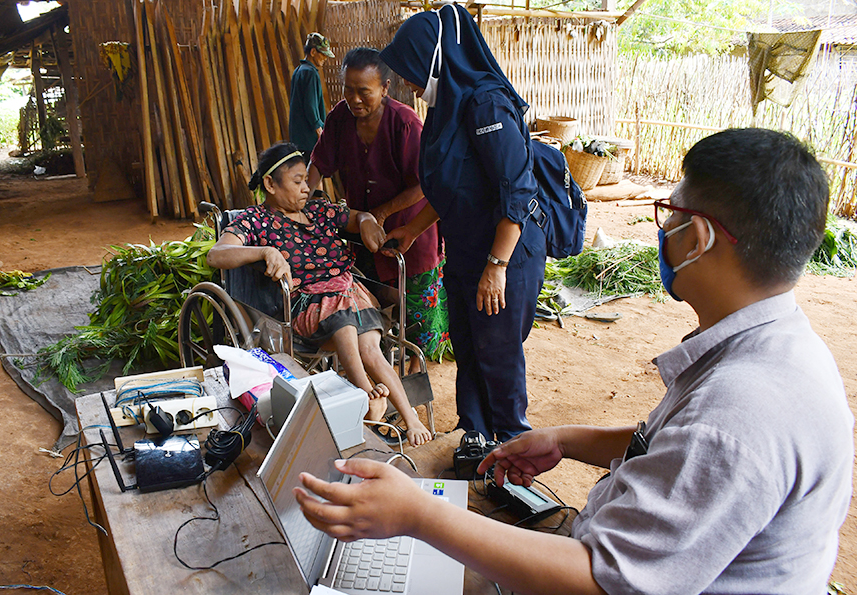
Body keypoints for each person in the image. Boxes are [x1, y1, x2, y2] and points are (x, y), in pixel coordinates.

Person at [294, 128, 854, 594]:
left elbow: (605, 581)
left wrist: (419, 516)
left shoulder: (741, 411)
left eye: (669, 214)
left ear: (698, 238)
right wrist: (567, 439)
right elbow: (672, 442)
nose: (663, 231)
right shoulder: (774, 348)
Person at [377, 5, 547, 442]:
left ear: (432, 58)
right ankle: (475, 437)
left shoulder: (486, 104)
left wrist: (496, 266)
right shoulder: (446, 106)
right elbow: (456, 187)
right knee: (469, 349)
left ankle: (512, 447)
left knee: (498, 354)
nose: (408, 84)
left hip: (504, 255)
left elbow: (518, 194)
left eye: (410, 71)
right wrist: (413, 229)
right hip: (468, 251)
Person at [206, 142, 432, 446]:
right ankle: (365, 392)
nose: (306, 188)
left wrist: (366, 221)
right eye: (297, 182)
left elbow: (357, 217)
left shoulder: (320, 210)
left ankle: (410, 416)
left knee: (371, 349)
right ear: (270, 184)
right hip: (305, 306)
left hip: (350, 293)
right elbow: (217, 255)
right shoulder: (254, 220)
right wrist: (265, 251)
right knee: (344, 322)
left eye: (307, 181)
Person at [307, 47, 450, 368]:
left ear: (384, 88)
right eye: (347, 89)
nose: (354, 99)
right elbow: (319, 162)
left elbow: (426, 183)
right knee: (374, 296)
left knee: (415, 302)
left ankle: (416, 367)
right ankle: (383, 357)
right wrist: (302, 199)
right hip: (365, 232)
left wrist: (382, 214)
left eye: (364, 92)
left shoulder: (405, 124)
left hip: (410, 229)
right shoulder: (339, 119)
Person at [289, 32, 334, 161]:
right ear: (313, 52)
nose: (325, 58)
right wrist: (319, 130)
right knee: (312, 172)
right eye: (323, 54)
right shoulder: (311, 73)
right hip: (309, 137)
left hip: (298, 137)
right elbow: (310, 105)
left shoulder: (298, 71)